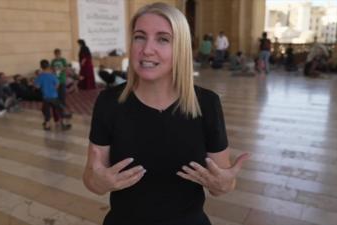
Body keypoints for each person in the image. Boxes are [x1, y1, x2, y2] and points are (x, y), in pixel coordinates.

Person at [83, 3, 250, 225]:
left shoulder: (207, 104)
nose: (146, 49)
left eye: (163, 39)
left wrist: (224, 184)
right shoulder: (109, 102)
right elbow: (91, 178)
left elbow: (223, 184)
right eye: (139, 37)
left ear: (180, 47)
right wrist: (99, 182)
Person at [34, 59, 71, 131]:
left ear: (41, 67)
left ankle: (47, 125)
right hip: (54, 96)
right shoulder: (52, 75)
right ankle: (63, 124)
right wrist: (53, 89)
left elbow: (37, 86)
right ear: (48, 66)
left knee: (46, 111)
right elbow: (57, 84)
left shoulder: (40, 76)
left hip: (45, 97)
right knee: (59, 110)